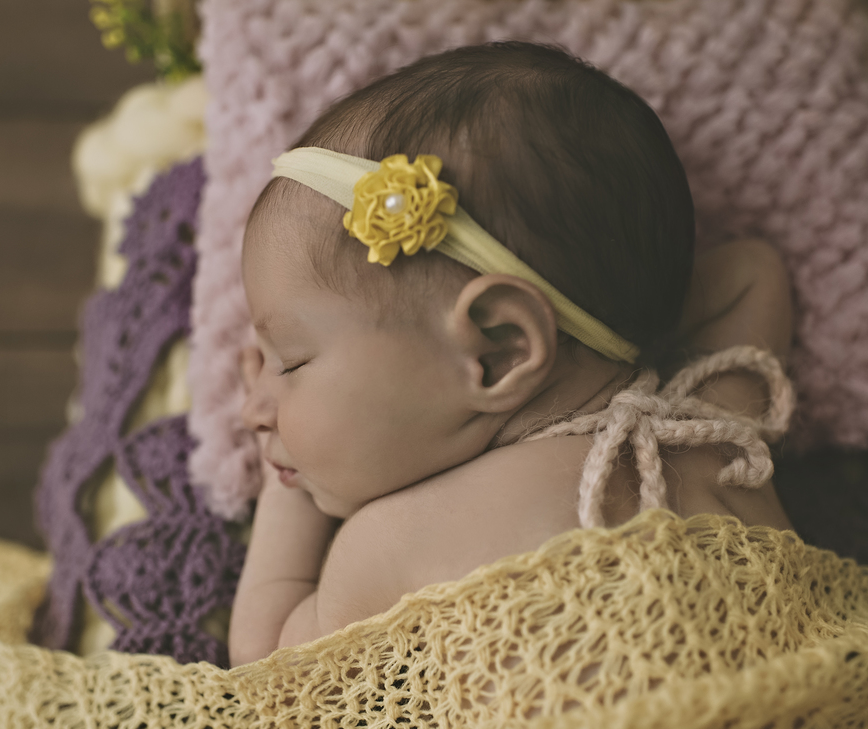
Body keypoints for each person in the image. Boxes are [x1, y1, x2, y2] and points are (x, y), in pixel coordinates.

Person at [229, 42, 793, 667]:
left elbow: (265, 670)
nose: (254, 407)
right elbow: (752, 273)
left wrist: (284, 485)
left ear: (498, 352)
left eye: (289, 362)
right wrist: (598, 326)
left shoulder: (397, 542)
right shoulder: (716, 437)